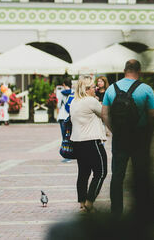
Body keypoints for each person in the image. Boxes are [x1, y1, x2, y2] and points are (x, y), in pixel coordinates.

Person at [101, 59, 154, 217]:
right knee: (140, 174)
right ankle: (141, 210)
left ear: (124, 70)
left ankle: (116, 211)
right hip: (140, 138)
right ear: (139, 71)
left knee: (117, 176)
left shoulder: (111, 89)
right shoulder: (146, 89)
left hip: (120, 138)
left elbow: (104, 113)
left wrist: (115, 130)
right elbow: (152, 114)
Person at [70, 75, 108, 214]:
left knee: (83, 173)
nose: (96, 89)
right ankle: (89, 202)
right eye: (93, 87)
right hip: (92, 141)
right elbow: (105, 113)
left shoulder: (74, 101)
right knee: (101, 172)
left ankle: (81, 203)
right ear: (87, 89)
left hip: (77, 142)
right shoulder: (90, 101)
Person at [56, 81, 74, 163]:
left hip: (62, 116)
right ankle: (73, 153)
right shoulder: (73, 92)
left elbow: (58, 105)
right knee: (71, 135)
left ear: (63, 84)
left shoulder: (60, 93)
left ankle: (67, 155)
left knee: (64, 137)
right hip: (71, 115)